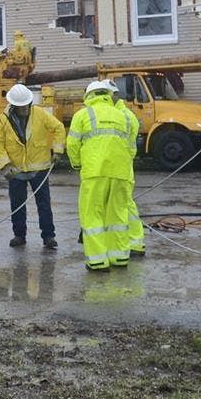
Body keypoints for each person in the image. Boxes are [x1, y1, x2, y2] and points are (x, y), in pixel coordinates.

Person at [67, 80, 135, 272]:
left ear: (89, 95)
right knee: (118, 214)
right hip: (121, 172)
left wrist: (77, 164)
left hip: (94, 172)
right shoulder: (122, 115)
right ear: (106, 94)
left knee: (92, 215)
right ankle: (120, 257)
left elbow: (72, 144)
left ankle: (97, 261)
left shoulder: (83, 114)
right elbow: (131, 146)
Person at [0, 83, 65, 250]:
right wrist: (5, 165)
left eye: (26, 105)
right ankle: (19, 235)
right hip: (16, 169)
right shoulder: (4, 119)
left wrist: (58, 150)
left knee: (44, 204)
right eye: (21, 106)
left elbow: (58, 128)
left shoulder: (39, 113)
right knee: (17, 205)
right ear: (14, 105)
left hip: (39, 168)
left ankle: (48, 236)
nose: (24, 109)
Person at [106, 79, 144, 257]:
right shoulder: (123, 114)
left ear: (114, 95)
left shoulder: (122, 116)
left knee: (124, 205)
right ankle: (133, 243)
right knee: (124, 205)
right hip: (122, 165)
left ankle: (133, 243)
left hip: (120, 165)